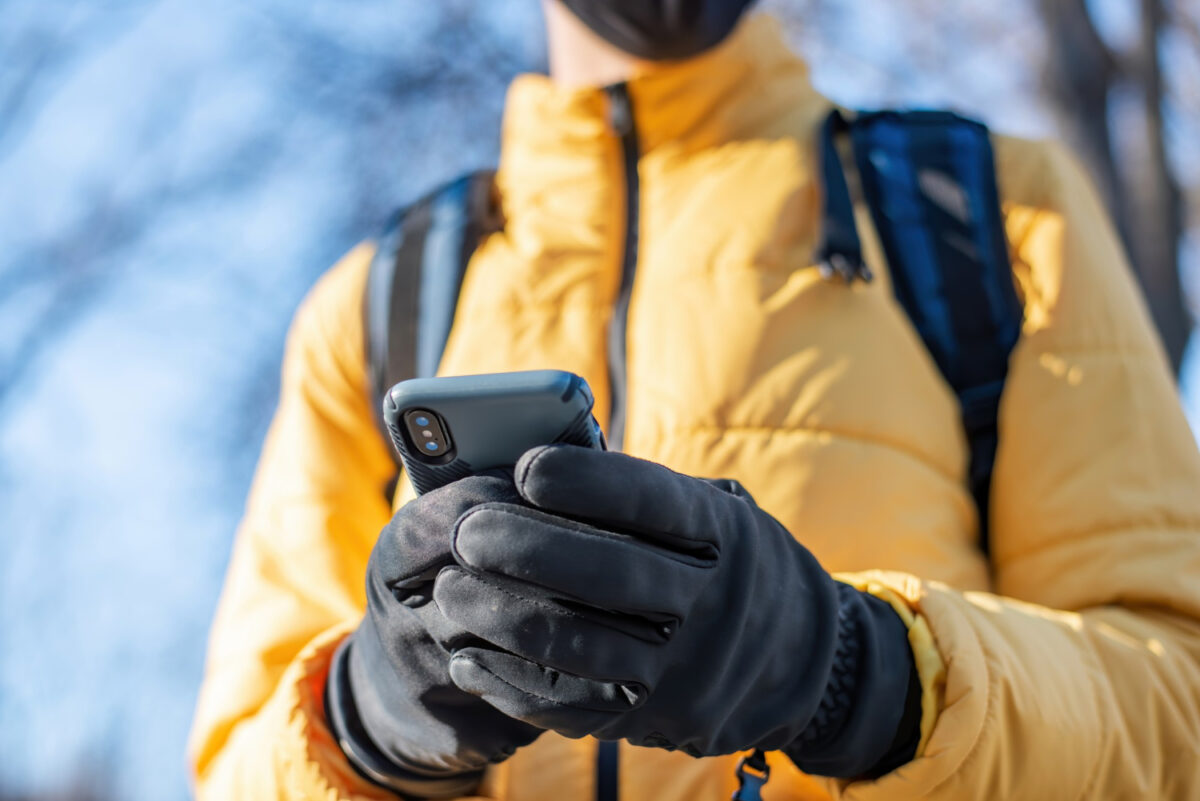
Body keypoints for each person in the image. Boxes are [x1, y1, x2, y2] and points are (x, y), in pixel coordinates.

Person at [188, 1, 1200, 799]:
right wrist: (369, 719)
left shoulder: (997, 218)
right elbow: (235, 769)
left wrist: (856, 672)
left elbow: (1179, 713)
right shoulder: (375, 305)